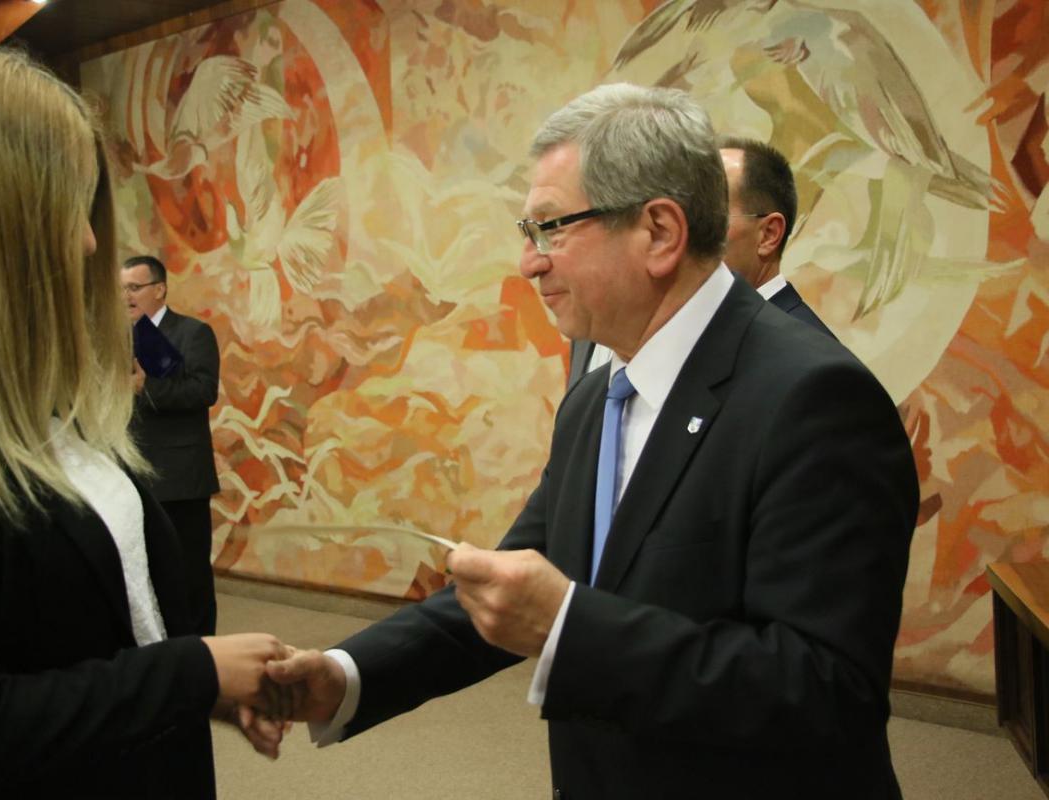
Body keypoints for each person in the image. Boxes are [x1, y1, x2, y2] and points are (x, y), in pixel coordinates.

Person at [266, 84, 918, 799]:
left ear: (659, 233)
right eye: (528, 231)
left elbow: (826, 690)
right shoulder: (594, 399)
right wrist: (345, 677)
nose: (529, 261)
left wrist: (571, 630)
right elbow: (515, 585)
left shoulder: (814, 398)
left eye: (551, 227)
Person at [0, 39, 284, 799]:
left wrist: (198, 684)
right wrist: (192, 671)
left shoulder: (37, 397)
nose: (88, 241)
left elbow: (111, 628)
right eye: (68, 205)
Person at [567, 134, 833, 390]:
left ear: (768, 235)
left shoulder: (811, 365)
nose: (680, 235)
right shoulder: (685, 332)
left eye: (707, 217)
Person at [123, 254, 221, 636]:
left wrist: (147, 387)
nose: (126, 296)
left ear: (160, 289)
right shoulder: (119, 336)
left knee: (189, 574)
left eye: (134, 287)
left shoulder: (193, 333)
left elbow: (203, 391)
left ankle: (203, 651)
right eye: (121, 289)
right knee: (150, 574)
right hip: (135, 474)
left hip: (181, 479)